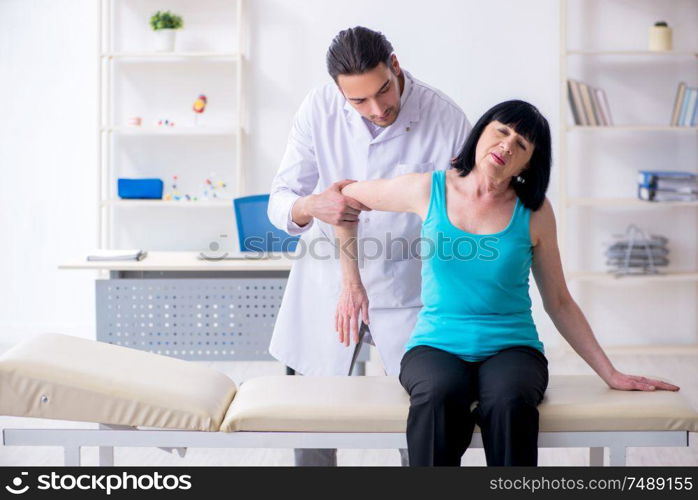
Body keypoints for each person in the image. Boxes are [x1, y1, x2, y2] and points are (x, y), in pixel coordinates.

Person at [333, 100, 681, 466]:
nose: (507, 145)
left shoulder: (535, 212)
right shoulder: (428, 189)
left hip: (512, 348)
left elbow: (559, 301)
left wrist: (610, 373)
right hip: (436, 344)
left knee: (509, 401)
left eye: (521, 144)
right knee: (438, 395)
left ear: (528, 163)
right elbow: (343, 200)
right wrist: (351, 284)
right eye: (502, 131)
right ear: (481, 130)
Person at [267, 26, 471, 466]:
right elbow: (280, 202)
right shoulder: (317, 108)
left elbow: (466, 213)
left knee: (415, 417)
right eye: (358, 101)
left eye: (383, 92)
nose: (377, 109)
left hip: (408, 287)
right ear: (339, 92)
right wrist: (312, 204)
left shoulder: (447, 119)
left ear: (395, 66)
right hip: (326, 285)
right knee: (312, 416)